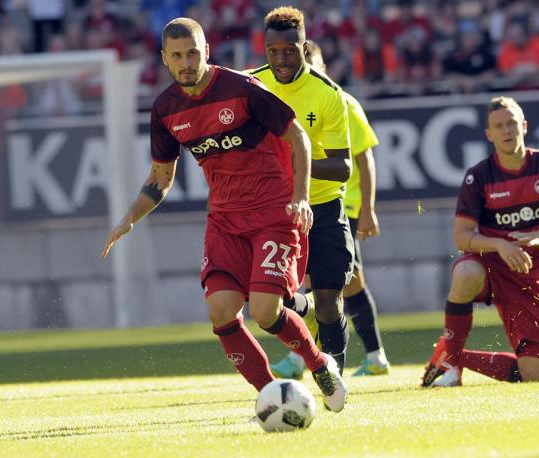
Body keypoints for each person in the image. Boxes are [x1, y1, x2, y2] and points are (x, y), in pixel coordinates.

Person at [101, 17, 347, 412]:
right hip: (225, 221)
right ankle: (273, 398)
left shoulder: (244, 89)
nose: (186, 62)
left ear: (207, 52)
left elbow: (298, 137)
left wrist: (301, 198)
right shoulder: (165, 109)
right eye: (177, 55)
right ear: (165, 59)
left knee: (265, 312)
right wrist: (130, 216)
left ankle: (320, 365)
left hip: (273, 212)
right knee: (220, 311)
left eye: (193, 53)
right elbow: (160, 178)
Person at [422, 96, 539, 387]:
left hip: (528, 279)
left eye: (511, 123)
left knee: (537, 377)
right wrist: (500, 245)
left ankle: (450, 356)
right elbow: (462, 237)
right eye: (499, 126)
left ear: (524, 126)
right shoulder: (478, 177)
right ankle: (453, 370)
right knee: (465, 273)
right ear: (489, 134)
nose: (507, 130)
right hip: (490, 267)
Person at [271, 39, 390, 378]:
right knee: (313, 284)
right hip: (306, 202)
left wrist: (367, 209)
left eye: (311, 60)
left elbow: (364, 158)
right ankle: (347, 356)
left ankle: (369, 355)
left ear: (322, 66)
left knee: (344, 283)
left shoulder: (342, 102)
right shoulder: (282, 97)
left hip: (342, 204)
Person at [248, 6, 355, 374]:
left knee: (329, 302)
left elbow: (343, 167)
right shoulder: (251, 85)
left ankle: (335, 376)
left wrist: (293, 164)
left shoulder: (328, 94)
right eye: (273, 50)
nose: (281, 58)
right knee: (272, 300)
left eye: (290, 50)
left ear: (304, 47)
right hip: (272, 209)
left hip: (322, 208)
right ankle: (303, 313)